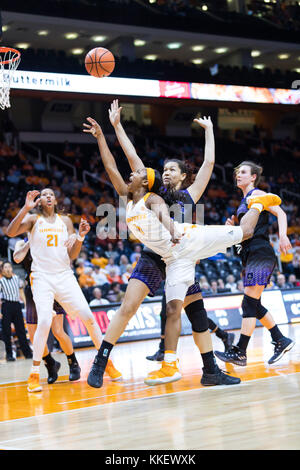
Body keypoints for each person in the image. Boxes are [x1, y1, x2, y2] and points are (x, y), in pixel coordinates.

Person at [83, 112, 280, 388]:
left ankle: (209, 369)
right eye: (163, 169)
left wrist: (209, 131)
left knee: (197, 314)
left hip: (184, 252)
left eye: (172, 169)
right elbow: (129, 160)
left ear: (184, 175)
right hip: (156, 256)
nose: (166, 172)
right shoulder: (152, 191)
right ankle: (104, 362)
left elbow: (209, 162)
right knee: (130, 307)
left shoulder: (189, 196)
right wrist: (115, 127)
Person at [6, 188, 122, 392]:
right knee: (44, 320)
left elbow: (73, 255)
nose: (48, 196)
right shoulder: (33, 219)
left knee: (88, 315)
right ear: (40, 200)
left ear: (55, 199)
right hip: (41, 277)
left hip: (64, 275)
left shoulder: (65, 221)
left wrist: (80, 237)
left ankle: (106, 364)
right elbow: (11, 232)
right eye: (44, 194)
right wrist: (25, 207)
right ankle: (34, 374)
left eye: (51, 193)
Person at [215, 161, 294, 367]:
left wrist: (283, 236)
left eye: (242, 172)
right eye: (236, 173)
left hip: (260, 252)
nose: (238, 175)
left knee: (248, 303)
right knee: (254, 303)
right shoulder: (243, 201)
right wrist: (234, 230)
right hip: (250, 254)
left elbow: (282, 213)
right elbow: (246, 231)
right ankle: (280, 340)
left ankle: (240, 351)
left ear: (253, 177)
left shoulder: (257, 194)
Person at [13, 239, 81, 384]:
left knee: (57, 331)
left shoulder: (49, 238)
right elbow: (17, 258)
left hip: (52, 285)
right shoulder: (22, 243)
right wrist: (30, 241)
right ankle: (50, 363)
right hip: (32, 288)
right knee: (33, 334)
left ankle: (73, 362)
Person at [0, 261, 33, 361]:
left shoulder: (16, 278)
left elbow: (21, 293)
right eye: (5, 267)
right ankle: (9, 355)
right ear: (2, 270)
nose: (8, 269)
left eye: (9, 266)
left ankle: (27, 353)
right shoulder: (1, 281)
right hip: (6, 305)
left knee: (21, 330)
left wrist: (27, 305)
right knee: (6, 332)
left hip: (17, 305)